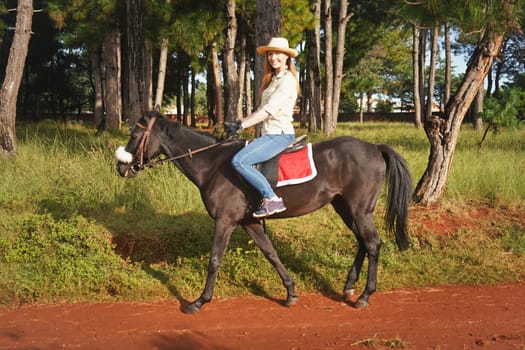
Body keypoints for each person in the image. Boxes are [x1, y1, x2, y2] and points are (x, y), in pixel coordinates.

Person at [229, 37, 300, 218]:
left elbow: (268, 111)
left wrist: (241, 125)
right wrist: (239, 122)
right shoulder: (273, 79)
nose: (273, 57)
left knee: (239, 161)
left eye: (278, 54)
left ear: (286, 57)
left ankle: (272, 199)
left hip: (280, 134)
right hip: (269, 134)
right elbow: (260, 110)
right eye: (270, 54)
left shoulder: (287, 80)